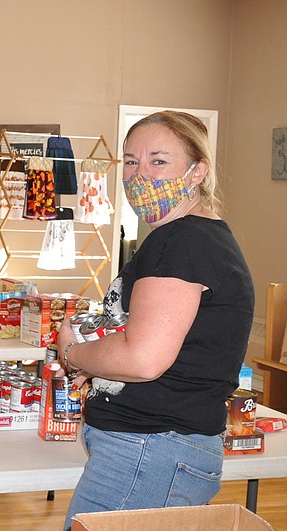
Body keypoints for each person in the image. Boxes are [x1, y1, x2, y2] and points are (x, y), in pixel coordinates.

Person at [56, 111, 255, 529]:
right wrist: (100, 362)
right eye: (130, 161)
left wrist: (74, 352)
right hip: (155, 447)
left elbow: (144, 360)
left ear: (197, 171)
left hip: (151, 448)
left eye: (158, 161)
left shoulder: (183, 241)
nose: (139, 174)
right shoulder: (189, 237)